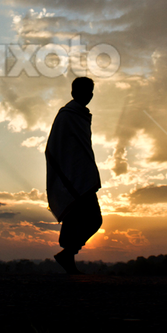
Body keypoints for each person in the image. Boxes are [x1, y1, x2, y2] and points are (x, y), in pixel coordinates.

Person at [45, 76, 102, 275]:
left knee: (90, 219)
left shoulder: (82, 116)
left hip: (82, 177)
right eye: (84, 91)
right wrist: (66, 175)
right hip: (71, 178)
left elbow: (83, 149)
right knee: (94, 219)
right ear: (73, 93)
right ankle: (68, 254)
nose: (88, 96)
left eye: (90, 92)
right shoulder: (67, 115)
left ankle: (68, 254)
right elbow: (54, 148)